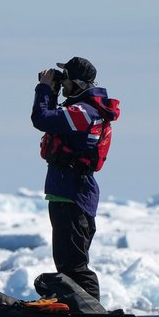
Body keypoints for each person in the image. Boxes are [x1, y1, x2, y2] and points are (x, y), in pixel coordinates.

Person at [32, 56, 120, 301]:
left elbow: (41, 119)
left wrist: (43, 89)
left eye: (66, 79)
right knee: (66, 265)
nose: (62, 82)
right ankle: (74, 310)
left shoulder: (84, 111)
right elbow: (51, 119)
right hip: (67, 192)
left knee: (75, 266)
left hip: (74, 194)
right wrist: (52, 92)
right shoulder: (81, 109)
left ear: (79, 83)